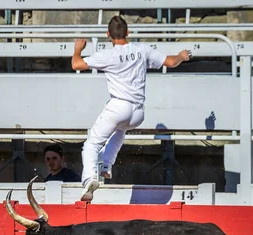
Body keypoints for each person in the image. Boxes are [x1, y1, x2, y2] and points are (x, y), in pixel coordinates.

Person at [71, 15, 191, 202]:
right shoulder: (142, 49)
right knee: (120, 130)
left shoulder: (108, 54)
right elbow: (171, 62)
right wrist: (182, 56)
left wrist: (78, 50)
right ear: (128, 32)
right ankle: (107, 167)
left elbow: (76, 64)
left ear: (108, 35)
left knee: (91, 144)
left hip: (119, 106)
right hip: (138, 113)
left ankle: (89, 179)